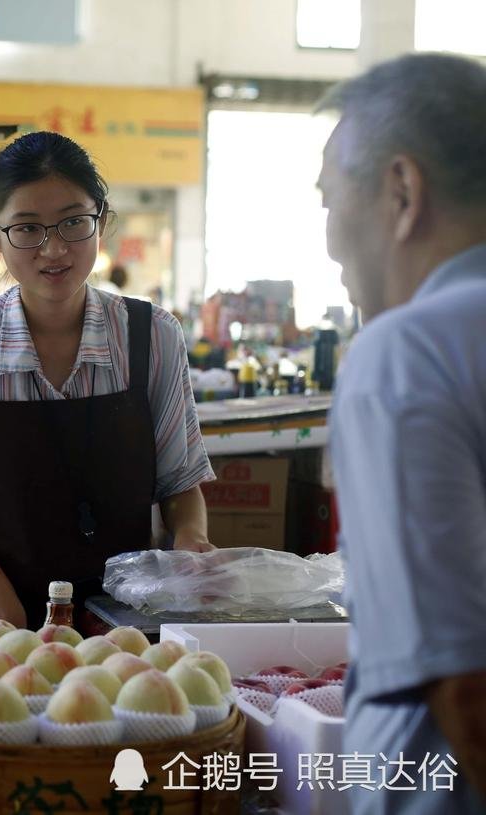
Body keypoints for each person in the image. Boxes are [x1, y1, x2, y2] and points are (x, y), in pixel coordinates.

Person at [0, 132, 214, 634]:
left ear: (102, 222)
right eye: (27, 228)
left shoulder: (153, 338)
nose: (54, 248)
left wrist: (191, 538)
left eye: (74, 222)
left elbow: (180, 482)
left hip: (120, 634)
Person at [319, 53, 486, 813]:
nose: (329, 244)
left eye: (329, 198)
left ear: (402, 189)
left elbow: (461, 682)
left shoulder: (406, 353)